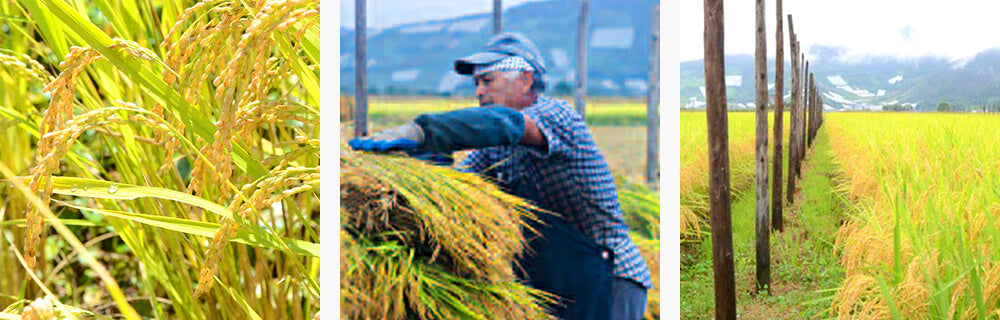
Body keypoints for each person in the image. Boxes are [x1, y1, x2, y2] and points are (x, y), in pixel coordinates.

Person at [348, 32, 651, 320]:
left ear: (525, 79)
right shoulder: (496, 149)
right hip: (553, 286)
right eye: (476, 83)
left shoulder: (557, 117)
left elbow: (505, 124)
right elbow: (460, 188)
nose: (479, 91)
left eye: (487, 80)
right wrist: (417, 169)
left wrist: (424, 132)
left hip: (608, 276)